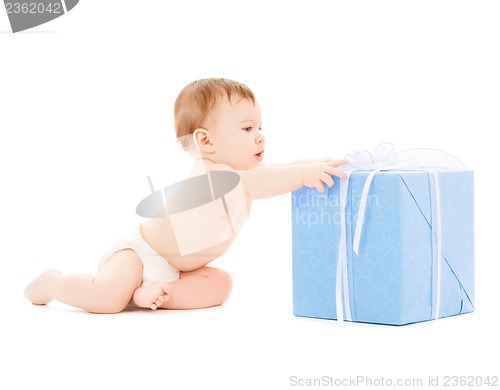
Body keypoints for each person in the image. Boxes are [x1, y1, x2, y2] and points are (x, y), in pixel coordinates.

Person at [24, 78, 347, 314]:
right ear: (206, 141)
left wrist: (315, 164)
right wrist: (305, 174)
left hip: (182, 271)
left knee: (220, 284)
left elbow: (277, 172)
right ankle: (52, 282)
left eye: (260, 127)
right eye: (247, 129)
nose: (260, 135)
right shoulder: (213, 176)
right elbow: (268, 178)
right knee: (105, 298)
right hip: (138, 254)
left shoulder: (242, 178)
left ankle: (148, 294)